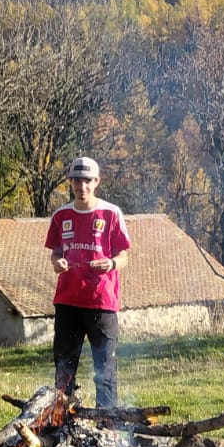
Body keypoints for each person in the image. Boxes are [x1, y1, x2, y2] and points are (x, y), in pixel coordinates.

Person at [45, 156, 131, 407]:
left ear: (96, 182)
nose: (82, 187)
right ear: (70, 183)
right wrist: (57, 263)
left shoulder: (111, 213)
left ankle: (107, 425)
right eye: (77, 181)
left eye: (87, 181)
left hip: (101, 302)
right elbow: (55, 253)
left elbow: (124, 256)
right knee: (64, 368)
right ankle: (62, 422)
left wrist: (112, 263)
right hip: (67, 302)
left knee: (105, 370)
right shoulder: (61, 216)